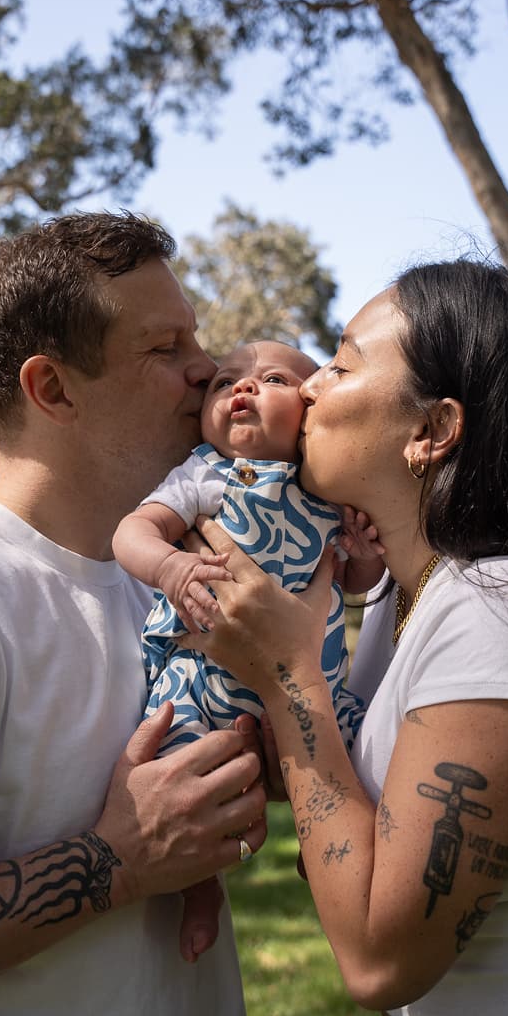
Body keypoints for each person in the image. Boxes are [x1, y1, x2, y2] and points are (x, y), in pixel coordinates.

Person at [0, 211, 269, 1016]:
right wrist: (119, 861)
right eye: (164, 347)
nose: (207, 369)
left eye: (196, 340)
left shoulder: (177, 585)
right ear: (53, 389)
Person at [179, 260, 508, 1016]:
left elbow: (381, 962)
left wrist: (286, 674)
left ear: (432, 431)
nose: (307, 388)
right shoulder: (400, 597)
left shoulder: (506, 613)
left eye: (339, 366)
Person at [113, 339, 384, 963]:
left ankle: (337, 861)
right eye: (224, 381)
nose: (242, 387)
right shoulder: (205, 473)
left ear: (311, 410)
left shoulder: (327, 488)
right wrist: (171, 567)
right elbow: (133, 531)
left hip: (312, 690)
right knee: (179, 768)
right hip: (202, 680)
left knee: (363, 756)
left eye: (273, 379)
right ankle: (200, 886)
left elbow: (353, 581)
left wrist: (366, 555)